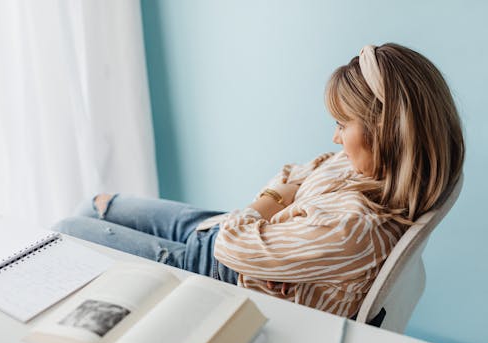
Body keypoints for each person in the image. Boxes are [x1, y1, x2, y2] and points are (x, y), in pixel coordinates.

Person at [53, 43, 464, 318]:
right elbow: (298, 171)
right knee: (94, 204)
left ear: (387, 130)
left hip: (221, 270)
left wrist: (270, 202)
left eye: (342, 124)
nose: (335, 137)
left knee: (66, 232)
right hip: (240, 235)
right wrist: (273, 210)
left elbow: (235, 242)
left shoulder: (352, 229)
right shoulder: (370, 167)